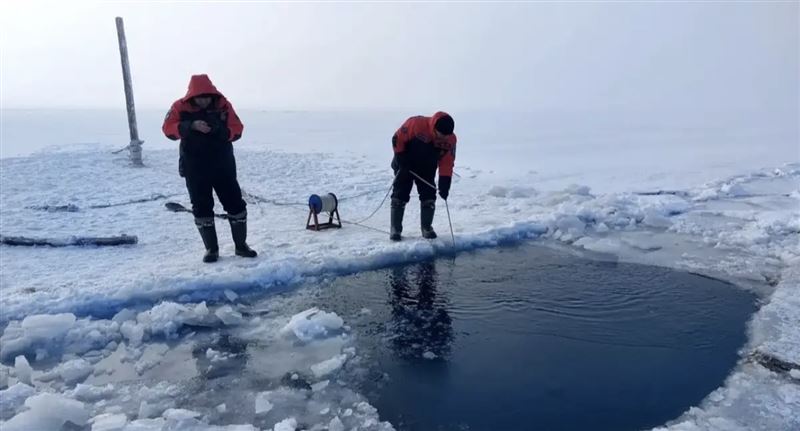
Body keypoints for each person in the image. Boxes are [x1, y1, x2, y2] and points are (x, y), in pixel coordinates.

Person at [162, 74, 257, 263]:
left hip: (222, 165)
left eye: (206, 97)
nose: (204, 100)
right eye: (199, 97)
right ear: (192, 96)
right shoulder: (179, 107)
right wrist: (190, 126)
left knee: (235, 204)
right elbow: (167, 129)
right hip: (194, 167)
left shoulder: (223, 105)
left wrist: (217, 130)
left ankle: (241, 246)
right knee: (201, 207)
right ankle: (211, 249)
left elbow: (237, 129)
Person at [390, 111, 456, 241]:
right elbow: (397, 139)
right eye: (441, 135)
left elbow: (447, 162)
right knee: (400, 195)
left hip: (427, 168)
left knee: (429, 196)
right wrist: (402, 160)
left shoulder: (450, 140)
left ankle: (426, 228)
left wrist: (445, 182)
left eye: (446, 136)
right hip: (405, 164)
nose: (443, 138)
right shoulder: (416, 124)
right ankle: (395, 229)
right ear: (434, 128)